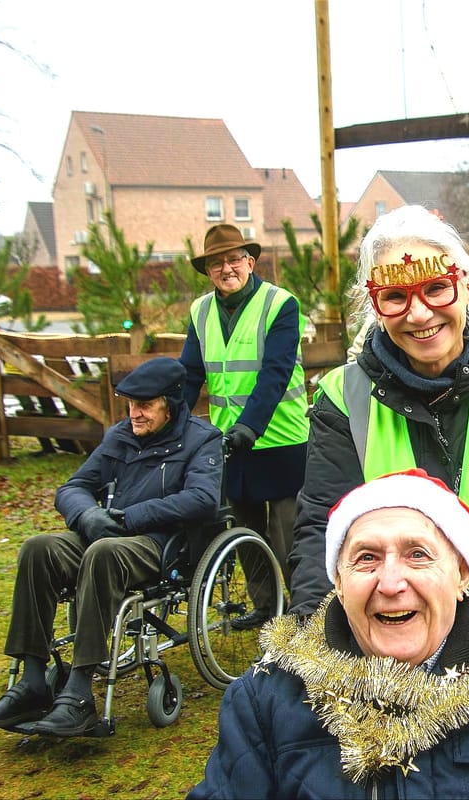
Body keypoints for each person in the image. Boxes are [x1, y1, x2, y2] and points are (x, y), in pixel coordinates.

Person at [189, 469, 469, 799]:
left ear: (461, 574)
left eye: (418, 554)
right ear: (337, 581)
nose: (391, 583)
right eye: (366, 558)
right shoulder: (266, 697)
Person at [287, 204, 469, 651]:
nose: (419, 315)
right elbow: (320, 536)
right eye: (396, 297)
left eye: (436, 289)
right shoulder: (342, 397)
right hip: (386, 654)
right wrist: (320, 661)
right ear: (375, 306)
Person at [0, 357, 222, 736]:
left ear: (172, 402)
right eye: (131, 404)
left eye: (145, 405)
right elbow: (72, 487)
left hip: (156, 543)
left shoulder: (202, 439)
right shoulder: (120, 436)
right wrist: (86, 516)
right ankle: (33, 680)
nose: (135, 413)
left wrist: (129, 517)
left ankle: (80, 692)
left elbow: (203, 498)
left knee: (102, 554)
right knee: (38, 548)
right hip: (102, 531)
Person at [180, 224, 310, 630]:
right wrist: (176, 426)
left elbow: (275, 372)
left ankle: (304, 609)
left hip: (281, 438)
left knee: (288, 532)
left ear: (250, 262)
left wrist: (250, 425)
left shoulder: (280, 304)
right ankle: (264, 605)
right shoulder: (200, 312)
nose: (226, 268)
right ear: (207, 271)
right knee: (243, 527)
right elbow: (188, 374)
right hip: (229, 442)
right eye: (216, 262)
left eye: (234, 259)